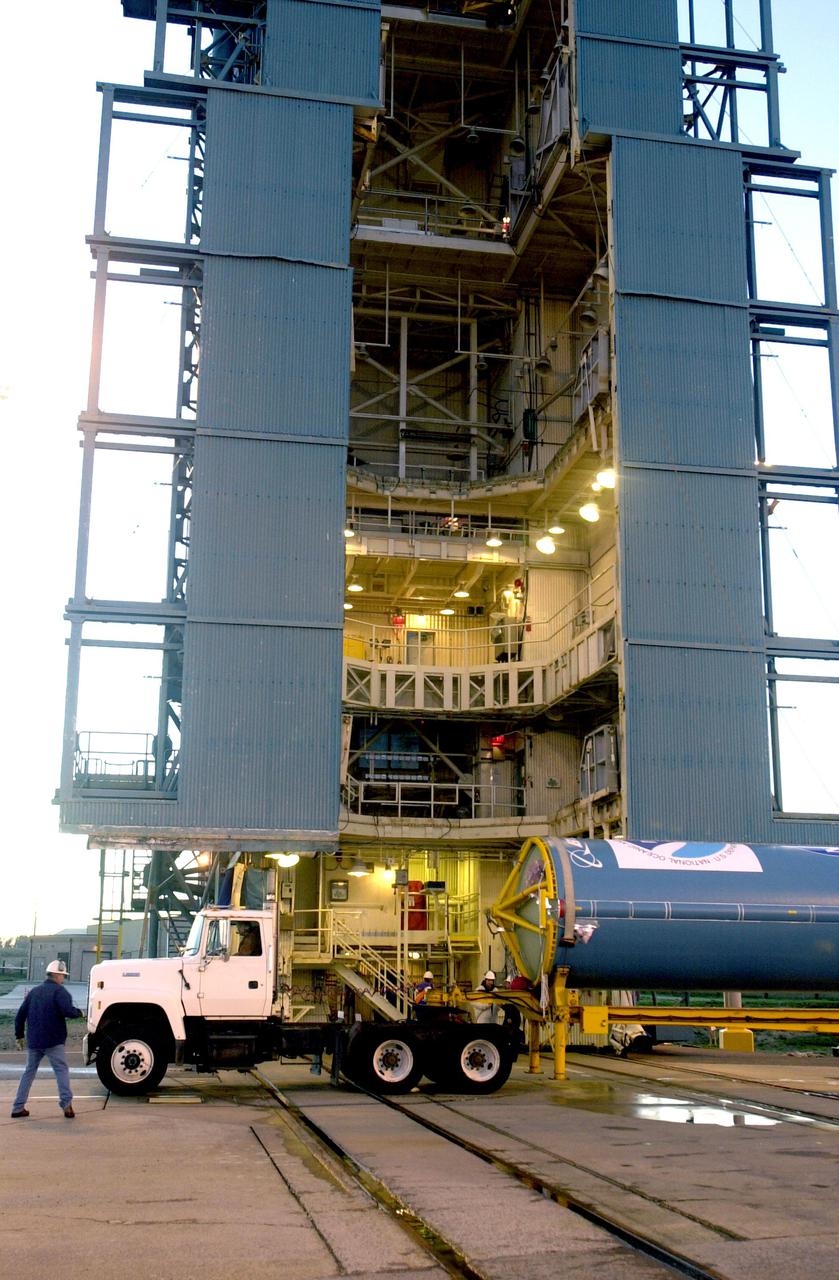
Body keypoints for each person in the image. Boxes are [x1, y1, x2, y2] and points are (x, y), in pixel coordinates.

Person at [12, 960, 85, 1119]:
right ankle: (67, 1106)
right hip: (53, 1041)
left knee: (29, 1073)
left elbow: (20, 1016)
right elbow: (68, 1011)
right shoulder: (60, 991)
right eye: (63, 975)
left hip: (34, 1041)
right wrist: (79, 1013)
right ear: (57, 974)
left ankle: (18, 1107)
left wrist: (19, 1036)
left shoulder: (34, 992)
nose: (63, 979)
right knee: (61, 1070)